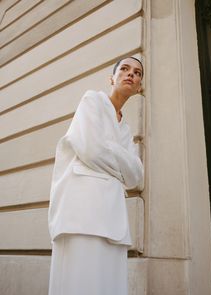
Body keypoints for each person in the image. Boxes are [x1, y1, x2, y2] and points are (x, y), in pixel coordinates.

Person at [48, 57, 144, 295]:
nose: (131, 74)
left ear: (139, 87)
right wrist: (121, 161)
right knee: (79, 285)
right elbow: (91, 149)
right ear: (111, 78)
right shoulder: (93, 100)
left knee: (108, 287)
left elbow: (135, 176)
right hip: (82, 214)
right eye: (124, 69)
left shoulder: (126, 130)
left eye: (138, 73)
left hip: (113, 221)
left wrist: (109, 148)